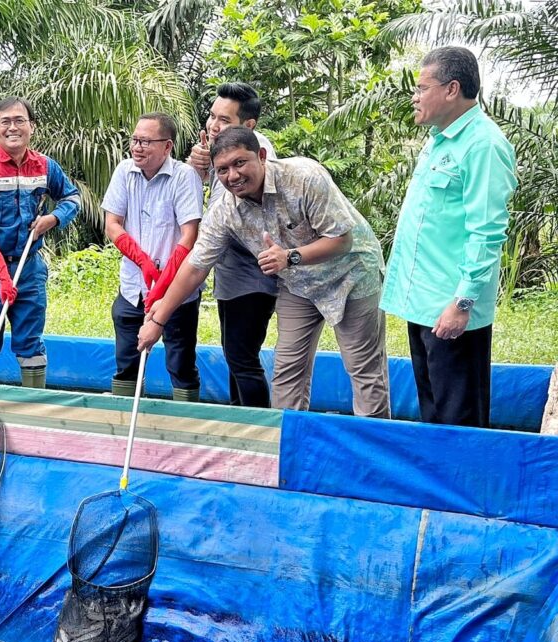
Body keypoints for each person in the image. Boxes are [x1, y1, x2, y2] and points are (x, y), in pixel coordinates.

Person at [139, 127, 390, 419]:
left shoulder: (304, 177)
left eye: (239, 163)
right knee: (287, 370)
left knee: (363, 368)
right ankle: (285, 444)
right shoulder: (225, 212)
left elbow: (341, 240)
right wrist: (158, 320)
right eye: (222, 170)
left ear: (261, 155)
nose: (232, 176)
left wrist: (290, 257)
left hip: (352, 275)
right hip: (300, 286)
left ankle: (374, 449)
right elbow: (196, 267)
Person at [381, 47, 517, 428]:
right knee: (434, 411)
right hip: (423, 303)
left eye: (422, 87)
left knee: (460, 417)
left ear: (451, 89)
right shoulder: (439, 140)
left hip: (452, 307)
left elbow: (487, 232)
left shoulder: (484, 145)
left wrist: (462, 302)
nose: (415, 96)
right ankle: (437, 487)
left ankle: (465, 487)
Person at [0, 97, 81, 387]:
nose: (13, 127)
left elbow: (72, 198)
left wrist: (53, 218)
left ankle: (33, 414)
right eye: (5, 122)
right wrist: (2, 276)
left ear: (32, 126)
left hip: (29, 269)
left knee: (31, 345)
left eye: (19, 120)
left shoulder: (45, 167)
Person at [179, 83, 279, 408]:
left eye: (223, 119)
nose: (213, 125)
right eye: (211, 116)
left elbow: (249, 211)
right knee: (235, 355)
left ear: (248, 127)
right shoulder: (218, 151)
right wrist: (198, 167)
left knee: (242, 356)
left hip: (254, 274)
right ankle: (241, 420)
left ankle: (255, 428)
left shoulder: (258, 150)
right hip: (230, 275)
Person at [102, 112, 204, 400]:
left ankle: (187, 423)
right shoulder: (124, 171)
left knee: (180, 363)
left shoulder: (184, 177)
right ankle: (123, 420)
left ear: (167, 146)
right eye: (135, 140)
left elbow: (189, 235)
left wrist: (162, 284)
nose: (138, 147)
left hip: (177, 290)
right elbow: (112, 224)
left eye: (146, 141)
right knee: (126, 362)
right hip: (133, 285)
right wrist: (143, 262)